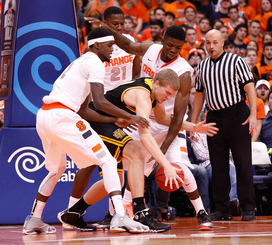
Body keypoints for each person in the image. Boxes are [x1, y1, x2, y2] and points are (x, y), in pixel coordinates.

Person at [22, 27, 151, 235]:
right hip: (62, 116)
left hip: (45, 115)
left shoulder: (80, 62)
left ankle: (34, 219)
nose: (113, 50)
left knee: (56, 170)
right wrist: (130, 116)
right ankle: (119, 216)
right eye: (110, 46)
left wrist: (115, 120)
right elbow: (100, 101)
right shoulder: (95, 62)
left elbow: (85, 110)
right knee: (108, 161)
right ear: (97, 45)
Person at [63, 69, 216, 232]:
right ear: (157, 84)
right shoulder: (143, 96)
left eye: (171, 95)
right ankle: (140, 212)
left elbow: (163, 119)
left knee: (117, 180)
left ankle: (73, 212)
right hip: (95, 122)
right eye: (167, 93)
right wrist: (166, 165)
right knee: (136, 152)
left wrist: (194, 127)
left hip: (106, 124)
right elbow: (145, 135)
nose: (168, 97)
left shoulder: (153, 92)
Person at [191, 29, 257, 221]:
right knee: (218, 165)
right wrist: (194, 123)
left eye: (215, 42)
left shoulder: (236, 61)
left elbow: (249, 87)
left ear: (222, 43)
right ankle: (222, 208)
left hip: (237, 114)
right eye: (208, 43)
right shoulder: (202, 66)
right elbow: (199, 96)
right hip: (214, 117)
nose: (211, 46)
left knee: (243, 163)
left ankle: (248, 207)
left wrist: (253, 114)